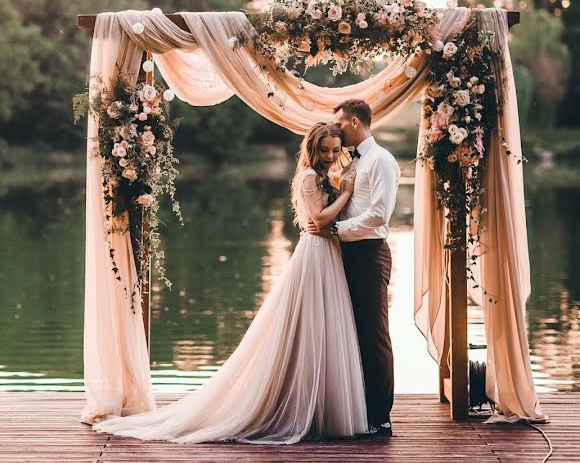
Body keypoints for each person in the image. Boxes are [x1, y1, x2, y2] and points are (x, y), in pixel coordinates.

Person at [93, 122, 368, 444]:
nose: (331, 155)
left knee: (325, 327)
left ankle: (321, 404)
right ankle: (293, 406)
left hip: (328, 253)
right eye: (325, 149)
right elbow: (320, 220)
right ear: (312, 148)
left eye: (336, 149)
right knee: (306, 326)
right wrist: (347, 191)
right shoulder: (309, 177)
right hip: (316, 253)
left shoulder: (325, 177)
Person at [307, 99, 401, 437]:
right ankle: (356, 410)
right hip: (343, 254)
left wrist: (334, 230)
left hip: (369, 254)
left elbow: (379, 215)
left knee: (374, 335)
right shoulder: (349, 161)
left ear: (356, 122)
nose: (337, 129)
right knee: (348, 333)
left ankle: (380, 416)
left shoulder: (382, 162)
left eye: (341, 123)